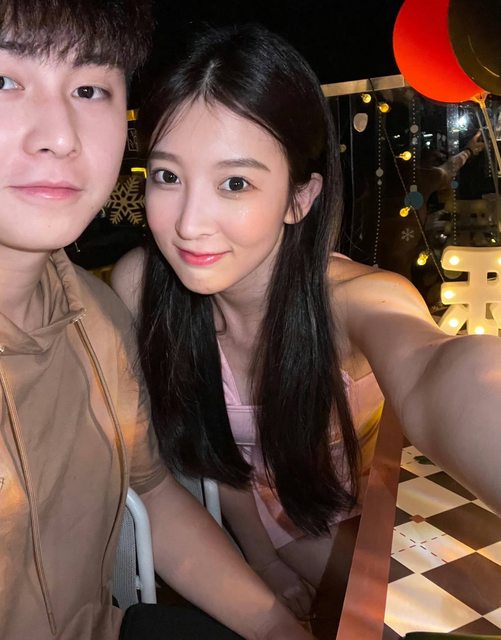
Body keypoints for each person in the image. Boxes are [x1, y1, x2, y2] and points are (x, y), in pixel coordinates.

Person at [112, 23, 501, 621]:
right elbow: (209, 445)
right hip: (249, 529)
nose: (189, 223)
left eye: (234, 183)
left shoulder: (358, 299)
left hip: (370, 514)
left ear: (301, 197)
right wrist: (263, 562)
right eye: (167, 176)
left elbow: (445, 373)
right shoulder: (143, 286)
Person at [0, 3, 314, 639]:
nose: (59, 136)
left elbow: (155, 491)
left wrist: (278, 628)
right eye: (4, 80)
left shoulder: (100, 317)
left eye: (90, 89)